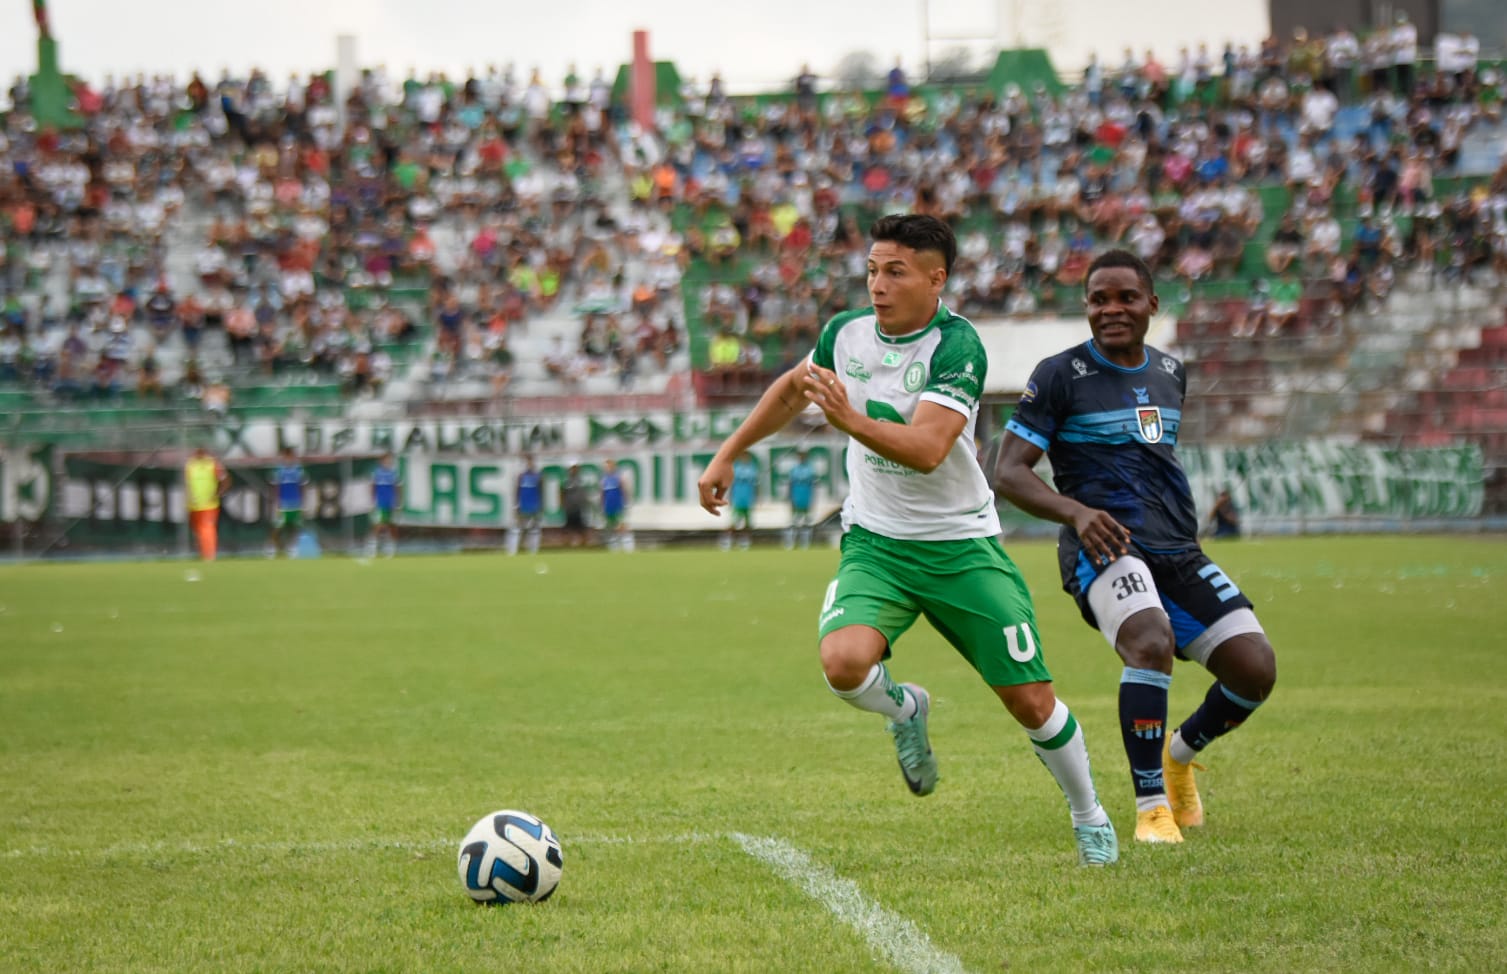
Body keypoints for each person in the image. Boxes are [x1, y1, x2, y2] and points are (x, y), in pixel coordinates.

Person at [697, 214, 1118, 867]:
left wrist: (848, 418)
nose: (877, 285)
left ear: (934, 277)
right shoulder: (846, 333)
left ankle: (1088, 815)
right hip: (876, 543)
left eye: (894, 271)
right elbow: (791, 390)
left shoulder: (957, 347)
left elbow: (926, 449)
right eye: (871, 270)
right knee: (841, 665)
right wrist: (729, 452)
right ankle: (904, 709)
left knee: (1031, 702)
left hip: (959, 545)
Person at [991, 249, 1278, 846]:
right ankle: (1151, 808)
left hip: (1177, 549)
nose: (1111, 309)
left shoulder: (1171, 373)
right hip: (1104, 545)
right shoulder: (1059, 375)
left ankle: (1178, 758)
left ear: (1152, 303)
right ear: (1087, 307)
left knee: (1254, 670)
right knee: (1150, 642)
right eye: (1099, 299)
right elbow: (1009, 473)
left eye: (1125, 297)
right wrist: (1076, 512)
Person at [183, 446, 228, 561]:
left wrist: (217, 494)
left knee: (207, 528)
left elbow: (225, 480)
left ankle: (209, 556)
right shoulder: (190, 465)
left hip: (209, 505)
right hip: (193, 505)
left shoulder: (213, 464)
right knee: (198, 530)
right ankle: (203, 554)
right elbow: (186, 483)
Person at [269, 447, 308, 557]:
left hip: (296, 503)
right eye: (287, 456)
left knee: (296, 527)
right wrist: (276, 502)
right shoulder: (279, 470)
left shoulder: (298, 470)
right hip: (283, 504)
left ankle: (293, 547)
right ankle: (273, 547)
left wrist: (303, 502)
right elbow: (275, 487)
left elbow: (303, 486)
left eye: (291, 456)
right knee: (277, 527)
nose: (289, 459)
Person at [509, 455, 544, 555]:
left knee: (534, 528)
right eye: (527, 462)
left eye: (530, 462)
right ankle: (513, 550)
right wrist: (516, 505)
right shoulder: (521, 476)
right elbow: (517, 491)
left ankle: (533, 550)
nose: (529, 464)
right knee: (518, 528)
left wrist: (541, 505)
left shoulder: (538, 476)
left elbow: (541, 492)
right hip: (523, 505)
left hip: (534, 504)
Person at [722, 452, 757, 550]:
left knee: (747, 522)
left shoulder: (752, 469)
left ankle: (744, 541)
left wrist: (756, 498)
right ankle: (727, 540)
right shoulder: (735, 469)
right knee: (734, 521)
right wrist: (730, 498)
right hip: (738, 499)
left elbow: (755, 486)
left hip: (748, 499)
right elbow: (731, 486)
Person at [369, 452, 401, 557]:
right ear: (381, 462)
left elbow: (397, 487)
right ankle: (373, 547)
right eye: (386, 460)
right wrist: (372, 500)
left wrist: (398, 501)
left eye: (390, 460)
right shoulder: (377, 473)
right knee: (379, 525)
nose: (388, 462)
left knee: (392, 526)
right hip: (380, 503)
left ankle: (392, 548)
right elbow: (372, 487)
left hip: (391, 503)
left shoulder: (393, 474)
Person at [784, 448, 817, 550]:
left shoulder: (810, 469)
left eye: (803, 455)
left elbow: (813, 486)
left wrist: (813, 499)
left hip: (806, 498)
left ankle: (805, 543)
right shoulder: (794, 470)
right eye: (800, 455)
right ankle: (790, 542)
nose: (801, 457)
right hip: (796, 498)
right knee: (794, 521)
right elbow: (790, 484)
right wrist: (789, 497)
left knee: (807, 521)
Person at [599, 458, 633, 552]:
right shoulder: (604, 480)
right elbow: (602, 494)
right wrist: (601, 505)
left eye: (609, 466)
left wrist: (626, 502)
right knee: (611, 526)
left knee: (621, 525)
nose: (608, 468)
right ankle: (614, 545)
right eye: (606, 467)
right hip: (608, 506)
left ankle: (627, 544)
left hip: (618, 505)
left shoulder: (618, 478)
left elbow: (624, 490)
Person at [561, 463, 591, 548]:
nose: (573, 470)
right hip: (569, 508)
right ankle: (567, 545)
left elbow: (584, 494)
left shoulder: (581, 481)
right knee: (568, 528)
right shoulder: (566, 482)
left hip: (579, 508)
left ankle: (584, 545)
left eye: (575, 469)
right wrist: (563, 504)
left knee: (581, 528)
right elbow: (562, 494)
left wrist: (584, 503)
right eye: (572, 469)